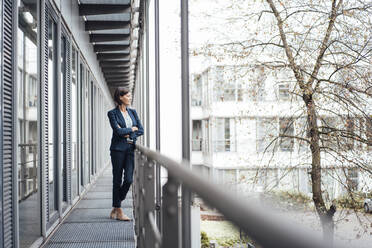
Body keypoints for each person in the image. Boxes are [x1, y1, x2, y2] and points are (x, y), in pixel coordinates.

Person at [107, 87, 143, 221]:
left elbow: (141, 130)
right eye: (128, 96)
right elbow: (117, 131)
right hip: (117, 150)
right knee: (117, 180)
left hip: (130, 150)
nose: (130, 98)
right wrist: (131, 129)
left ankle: (116, 206)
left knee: (128, 179)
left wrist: (128, 131)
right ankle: (119, 211)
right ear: (120, 97)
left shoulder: (133, 112)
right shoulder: (112, 114)